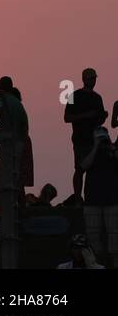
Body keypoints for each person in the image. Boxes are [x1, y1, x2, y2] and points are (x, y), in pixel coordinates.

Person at [80, 127, 118, 267]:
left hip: (112, 200)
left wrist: (112, 149)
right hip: (92, 201)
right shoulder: (89, 150)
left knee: (115, 239)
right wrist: (95, 147)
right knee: (93, 240)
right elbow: (84, 165)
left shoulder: (113, 150)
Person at [65, 69, 105, 200]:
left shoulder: (97, 98)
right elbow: (67, 118)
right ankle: (77, 199)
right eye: (90, 78)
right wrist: (85, 116)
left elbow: (99, 120)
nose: (92, 81)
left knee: (94, 171)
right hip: (80, 139)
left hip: (93, 140)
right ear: (84, 79)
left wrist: (103, 116)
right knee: (80, 169)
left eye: (93, 79)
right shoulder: (73, 96)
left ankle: (91, 198)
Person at [0, 77, 30, 199]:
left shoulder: (1, 102)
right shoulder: (17, 103)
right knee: (15, 172)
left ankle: (10, 200)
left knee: (6, 173)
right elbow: (24, 124)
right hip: (19, 141)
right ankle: (15, 200)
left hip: (8, 143)